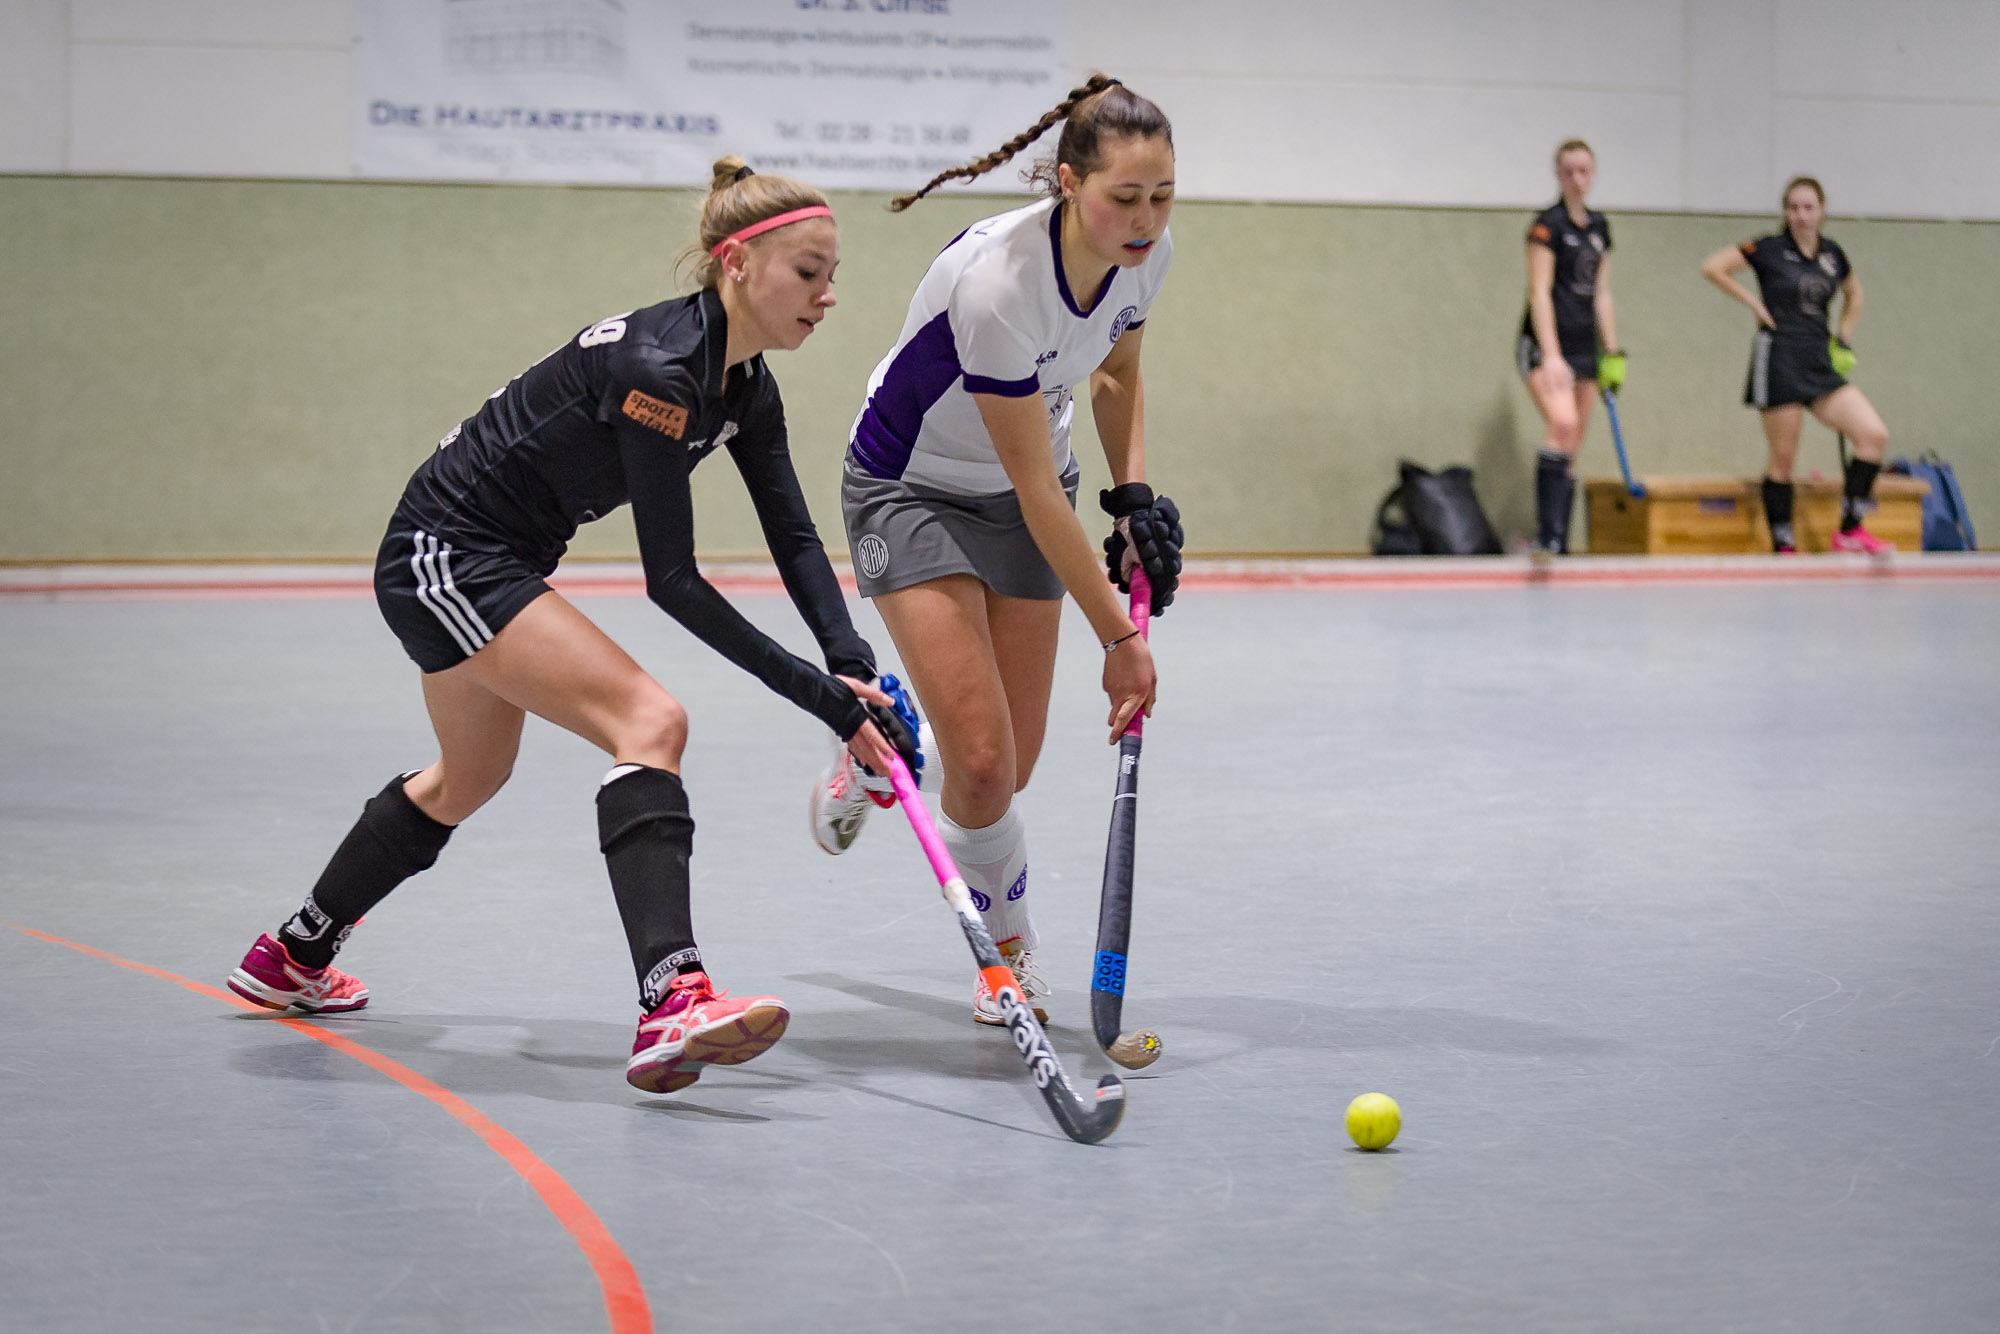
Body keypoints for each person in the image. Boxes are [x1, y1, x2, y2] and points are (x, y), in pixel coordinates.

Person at [226, 157, 913, 1096]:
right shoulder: (657, 370)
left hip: (484, 560)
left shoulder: (745, 386)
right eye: (809, 272)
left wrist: (851, 664)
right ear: (737, 263)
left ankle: (293, 955)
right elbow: (673, 581)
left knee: (469, 777)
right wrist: (823, 702)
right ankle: (672, 998)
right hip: (448, 554)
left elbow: (792, 536)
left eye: (833, 274)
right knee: (650, 722)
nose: (828, 295)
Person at [804, 74, 1184, 1026]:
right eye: (1125, 197)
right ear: (1069, 183)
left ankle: (885, 747)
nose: (1145, 219)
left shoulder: (1146, 257)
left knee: (1007, 768)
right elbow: (1031, 489)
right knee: (980, 767)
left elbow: (1117, 372)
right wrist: (1117, 637)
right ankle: (1006, 957)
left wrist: (1132, 501)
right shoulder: (1000, 286)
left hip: (1027, 491)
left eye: (1162, 195)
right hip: (910, 487)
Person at [1700, 176, 1891, 553]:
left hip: (1818, 359)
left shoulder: (1833, 254)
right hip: (1779, 356)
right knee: (1783, 458)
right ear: (1785, 212)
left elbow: (1854, 294)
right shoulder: (1769, 248)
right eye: (1793, 208)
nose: (1801, 215)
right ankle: (1783, 545)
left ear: (1822, 211)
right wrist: (1754, 304)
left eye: (1808, 208)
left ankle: (1850, 531)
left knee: (1873, 435)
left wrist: (1843, 337)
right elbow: (1713, 267)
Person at [1517, 138, 1623, 556]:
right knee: (1562, 423)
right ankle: (1546, 535)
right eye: (1569, 172)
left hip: (1586, 346)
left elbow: (1602, 293)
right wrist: (1552, 354)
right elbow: (1539, 292)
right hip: (1545, 344)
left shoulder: (1599, 228)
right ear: (1558, 175)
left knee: (1573, 445)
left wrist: (1611, 350)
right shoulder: (1548, 226)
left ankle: (1558, 544)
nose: (1577, 179)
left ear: (1593, 174)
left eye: (1584, 171)